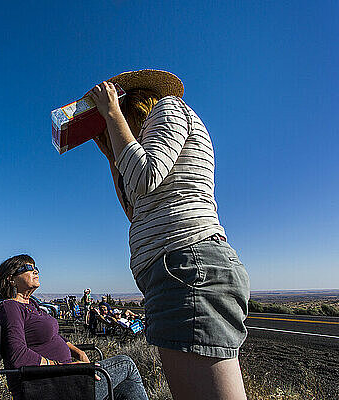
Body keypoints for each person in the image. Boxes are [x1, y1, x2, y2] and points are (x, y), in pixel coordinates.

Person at [88, 70, 250, 400]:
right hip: (173, 270)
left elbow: (146, 175)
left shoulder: (168, 108)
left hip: (186, 265)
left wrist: (111, 113)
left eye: (122, 117)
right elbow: (135, 210)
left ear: (132, 106)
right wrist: (111, 154)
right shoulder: (149, 139)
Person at [0, 254, 148, 400]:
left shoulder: (32, 305)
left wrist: (78, 352)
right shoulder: (10, 307)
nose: (35, 271)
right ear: (11, 279)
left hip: (63, 377)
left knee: (125, 386)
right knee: (126, 364)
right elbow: (18, 355)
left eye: (35, 267)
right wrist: (63, 366)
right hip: (45, 385)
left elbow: (55, 336)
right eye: (27, 268)